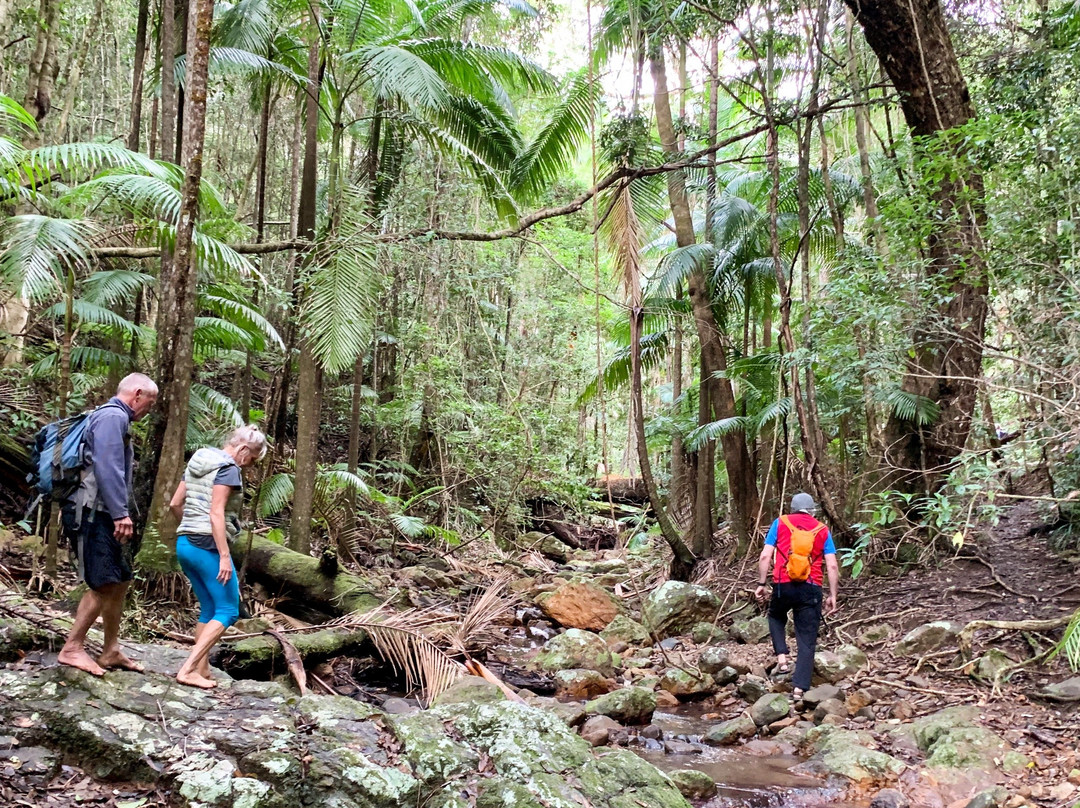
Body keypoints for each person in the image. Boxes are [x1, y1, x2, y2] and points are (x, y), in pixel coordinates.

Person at [58, 373, 158, 676]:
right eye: (149, 405)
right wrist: (119, 513)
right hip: (91, 512)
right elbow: (108, 467)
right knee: (103, 583)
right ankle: (72, 648)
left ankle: (110, 649)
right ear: (137, 394)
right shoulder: (113, 417)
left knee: (121, 578)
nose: (147, 411)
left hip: (101, 510)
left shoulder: (113, 418)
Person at [169, 425, 267, 688]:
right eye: (253, 459)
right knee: (228, 610)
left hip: (185, 543)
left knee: (209, 609)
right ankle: (188, 669)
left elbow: (175, 503)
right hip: (208, 547)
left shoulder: (199, 459)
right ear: (244, 450)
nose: (250, 466)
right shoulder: (229, 468)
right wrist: (224, 555)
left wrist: (190, 527)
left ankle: (202, 669)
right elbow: (216, 512)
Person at [754, 492, 840, 700]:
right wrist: (833, 595)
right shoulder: (822, 529)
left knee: (775, 616)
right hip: (811, 588)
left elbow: (765, 555)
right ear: (812, 510)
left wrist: (762, 584)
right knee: (807, 638)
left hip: (784, 585)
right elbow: (832, 564)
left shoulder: (780, 522)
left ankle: (782, 659)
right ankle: (799, 689)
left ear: (792, 508)